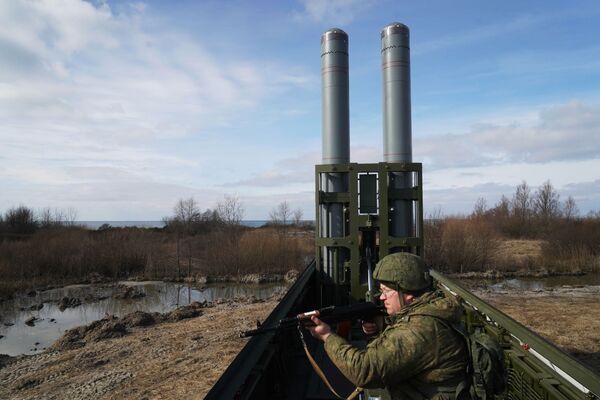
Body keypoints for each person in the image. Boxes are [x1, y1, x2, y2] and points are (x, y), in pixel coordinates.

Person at [308, 252, 469, 400]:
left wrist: (327, 336)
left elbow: (364, 371)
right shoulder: (430, 309)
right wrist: (377, 329)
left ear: (407, 293)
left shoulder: (420, 328)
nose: (382, 297)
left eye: (386, 291)